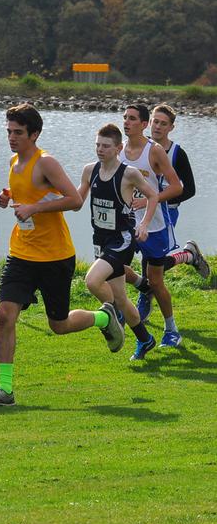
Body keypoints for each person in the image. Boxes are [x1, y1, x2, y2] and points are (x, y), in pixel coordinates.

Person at [0, 104, 124, 407]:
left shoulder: (47, 163)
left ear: (35, 134)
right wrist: (11, 199)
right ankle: (5, 390)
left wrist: (34, 208)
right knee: (5, 314)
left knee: (58, 325)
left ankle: (102, 317)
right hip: (22, 252)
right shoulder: (14, 162)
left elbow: (75, 200)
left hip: (55, 256)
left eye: (18, 132)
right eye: (9, 131)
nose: (12, 137)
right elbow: (28, 197)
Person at [77, 124, 159, 361]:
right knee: (121, 298)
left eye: (106, 146)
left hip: (121, 239)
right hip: (100, 239)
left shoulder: (129, 173)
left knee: (92, 281)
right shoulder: (89, 170)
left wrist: (143, 225)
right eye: (97, 145)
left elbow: (153, 195)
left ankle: (113, 316)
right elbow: (76, 200)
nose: (100, 150)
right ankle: (145, 339)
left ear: (118, 148)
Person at [125, 104, 209, 325]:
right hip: (139, 209)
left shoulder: (176, 153)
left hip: (166, 212)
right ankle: (187, 256)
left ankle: (145, 299)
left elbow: (188, 189)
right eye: (155, 121)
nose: (158, 127)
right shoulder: (135, 149)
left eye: (164, 123)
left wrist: (157, 200)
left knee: (153, 262)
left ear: (171, 127)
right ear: (148, 122)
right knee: (149, 261)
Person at [117, 104, 186, 348]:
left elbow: (178, 187)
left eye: (132, 119)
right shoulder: (118, 149)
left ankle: (171, 329)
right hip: (125, 224)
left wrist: (146, 200)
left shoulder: (154, 151)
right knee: (115, 268)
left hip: (154, 226)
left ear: (144, 124)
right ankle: (136, 294)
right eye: (125, 118)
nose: (127, 122)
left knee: (157, 282)